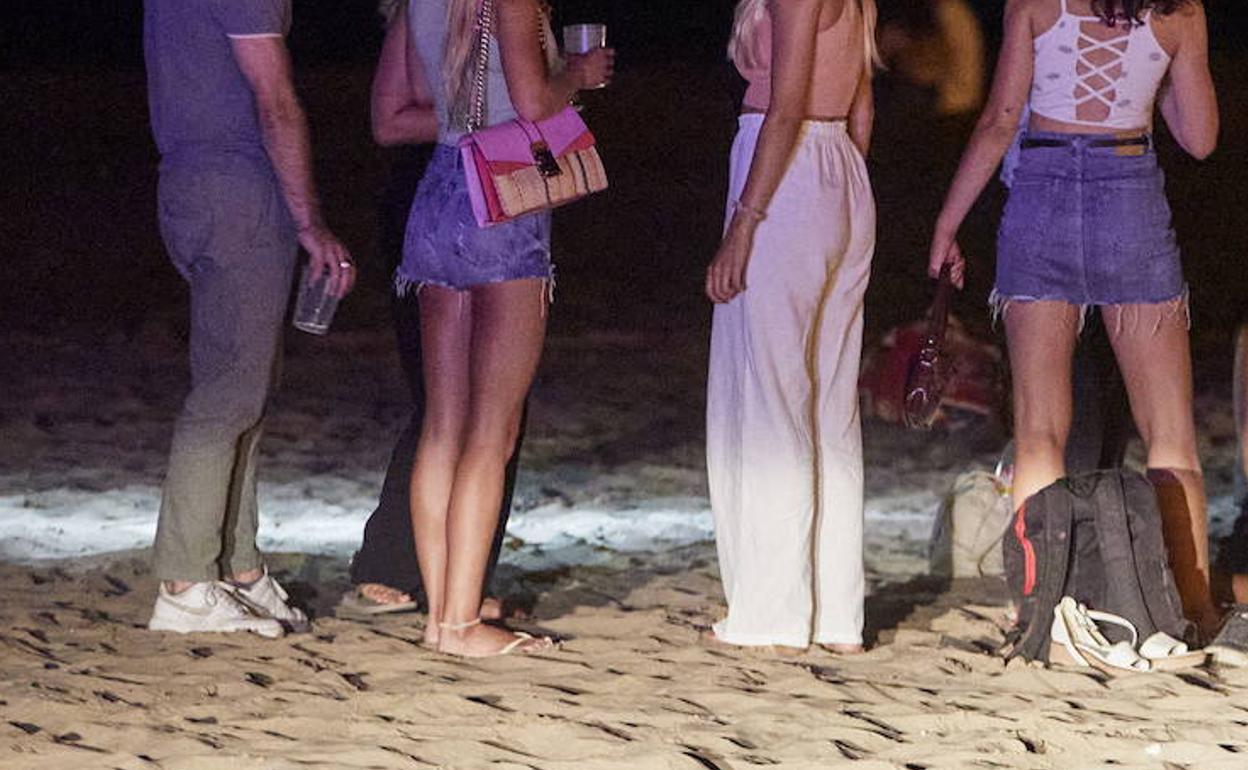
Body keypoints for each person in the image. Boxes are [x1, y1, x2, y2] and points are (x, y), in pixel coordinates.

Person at [928, 0, 1219, 635]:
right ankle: (1191, 609)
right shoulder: (1181, 11)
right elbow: (1199, 139)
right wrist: (1156, 74)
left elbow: (1001, 119)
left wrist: (949, 222)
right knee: (1169, 434)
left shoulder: (1032, 5)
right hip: (1130, 193)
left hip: (1041, 193)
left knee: (1040, 433)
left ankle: (1038, 608)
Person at [397, 0, 612, 657]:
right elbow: (535, 101)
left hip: (436, 190)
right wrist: (577, 72)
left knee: (443, 424)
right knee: (492, 429)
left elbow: (401, 102)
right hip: (500, 195)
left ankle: (442, 616)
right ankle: (461, 624)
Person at [144, 0, 354, 636]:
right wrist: (310, 221)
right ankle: (184, 581)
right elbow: (275, 101)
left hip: (188, 183)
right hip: (237, 188)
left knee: (242, 385)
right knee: (231, 393)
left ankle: (235, 565)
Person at [338, 0, 523, 621]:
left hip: (457, 186)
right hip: (468, 187)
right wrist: (567, 81)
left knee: (466, 410)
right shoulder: (467, 10)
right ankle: (413, 576)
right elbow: (391, 122)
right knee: (469, 411)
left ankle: (457, 587)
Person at [705, 0, 878, 653]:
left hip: (788, 169)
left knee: (773, 398)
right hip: (838, 172)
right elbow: (861, 101)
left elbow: (785, 105)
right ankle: (835, 614)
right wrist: (846, 189)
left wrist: (745, 224)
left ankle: (775, 613)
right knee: (829, 407)